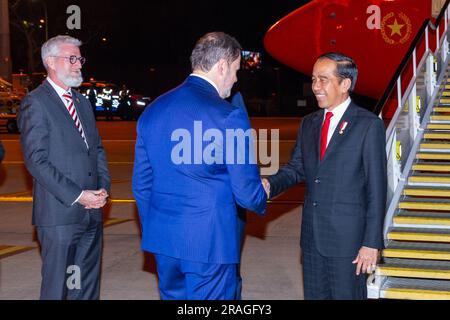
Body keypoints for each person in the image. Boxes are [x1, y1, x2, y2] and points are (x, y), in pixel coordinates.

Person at [132, 32, 267, 300]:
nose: (236, 79)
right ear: (222, 66)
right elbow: (245, 191)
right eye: (236, 70)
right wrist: (261, 194)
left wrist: (157, 227)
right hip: (209, 244)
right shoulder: (229, 115)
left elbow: (141, 185)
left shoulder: (153, 110)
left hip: (164, 241)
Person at [262, 52, 387, 300]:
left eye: (323, 79)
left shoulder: (368, 125)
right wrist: (269, 184)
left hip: (348, 244)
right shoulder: (309, 123)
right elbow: (296, 168)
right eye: (313, 79)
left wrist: (371, 243)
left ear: (345, 84)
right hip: (312, 240)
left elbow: (377, 188)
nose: (315, 87)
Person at [18, 35, 111, 300]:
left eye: (79, 58)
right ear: (50, 62)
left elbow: (97, 150)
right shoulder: (36, 102)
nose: (78, 64)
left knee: (85, 288)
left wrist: (102, 189)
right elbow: (36, 160)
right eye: (71, 58)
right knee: (57, 289)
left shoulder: (82, 103)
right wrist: (78, 195)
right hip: (59, 217)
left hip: (92, 212)